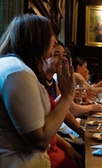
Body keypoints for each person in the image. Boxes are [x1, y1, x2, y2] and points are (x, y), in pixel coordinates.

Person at [0, 14, 78, 167]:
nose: (51, 50)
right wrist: (68, 95)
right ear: (38, 41)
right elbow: (40, 140)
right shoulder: (17, 72)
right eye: (52, 43)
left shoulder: (12, 65)